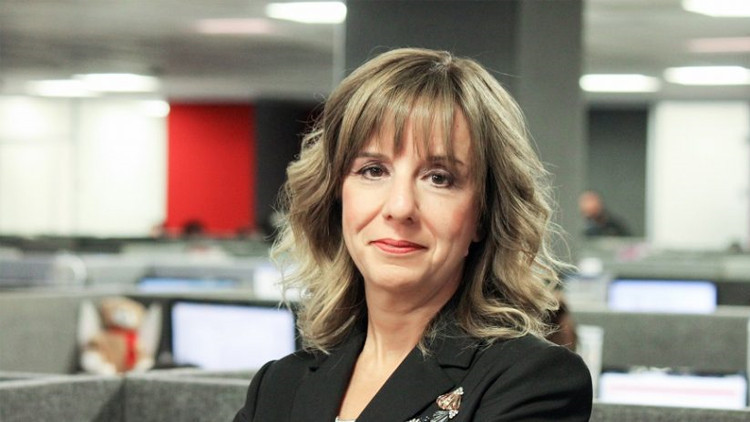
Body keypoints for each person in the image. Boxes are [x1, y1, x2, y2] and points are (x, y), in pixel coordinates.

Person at [234, 48, 592, 422]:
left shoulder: (533, 381)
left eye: (439, 178)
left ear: (483, 216)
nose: (400, 207)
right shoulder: (280, 385)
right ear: (336, 196)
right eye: (373, 170)